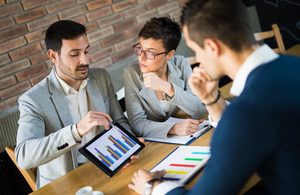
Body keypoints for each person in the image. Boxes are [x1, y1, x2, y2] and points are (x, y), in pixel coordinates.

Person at [128, 0, 300, 194]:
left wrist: (152, 186)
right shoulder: (294, 64)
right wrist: (212, 99)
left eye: (196, 50)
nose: (198, 59)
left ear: (211, 47)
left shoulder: (245, 112)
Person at [15, 20, 137, 189]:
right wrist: (76, 130)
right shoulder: (33, 100)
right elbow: (23, 156)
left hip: (110, 166)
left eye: (86, 51)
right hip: (65, 183)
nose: (85, 60)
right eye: (75, 54)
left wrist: (128, 148)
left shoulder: (101, 77)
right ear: (53, 56)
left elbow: (119, 121)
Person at [123, 17, 206, 138]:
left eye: (150, 52)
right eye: (140, 48)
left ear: (169, 55)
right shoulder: (131, 73)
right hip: (157, 142)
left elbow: (199, 109)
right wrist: (173, 128)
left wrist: (168, 87)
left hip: (185, 137)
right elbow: (137, 123)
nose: (141, 57)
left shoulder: (181, 64)